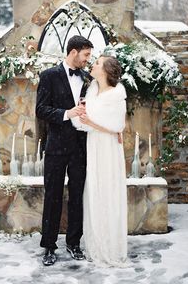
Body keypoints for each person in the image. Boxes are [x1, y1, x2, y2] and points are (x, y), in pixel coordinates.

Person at [35, 35, 94, 266]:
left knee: (77, 196)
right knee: (53, 196)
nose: (87, 60)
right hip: (56, 147)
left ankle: (74, 243)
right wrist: (66, 113)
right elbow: (41, 109)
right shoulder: (49, 76)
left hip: (81, 147)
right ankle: (49, 246)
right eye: (86, 55)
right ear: (73, 52)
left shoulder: (88, 78)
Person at [79, 55, 128, 267]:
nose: (93, 64)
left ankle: (110, 246)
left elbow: (117, 125)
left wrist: (90, 121)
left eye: (97, 63)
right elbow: (82, 121)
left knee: (108, 191)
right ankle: (96, 243)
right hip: (94, 144)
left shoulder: (117, 93)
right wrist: (82, 117)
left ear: (106, 71)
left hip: (108, 147)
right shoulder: (91, 91)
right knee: (95, 190)